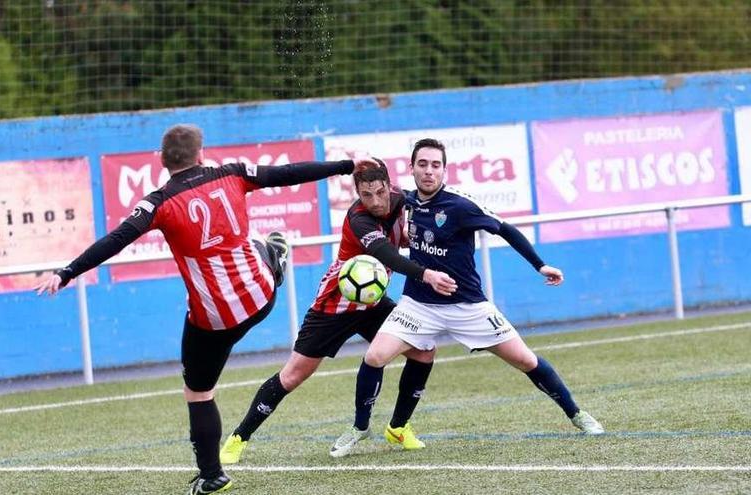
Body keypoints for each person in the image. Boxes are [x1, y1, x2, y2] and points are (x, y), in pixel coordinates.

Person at [35, 124, 380, 494]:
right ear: (202, 154)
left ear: (162, 161)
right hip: (261, 295)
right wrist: (347, 165)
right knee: (253, 250)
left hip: (214, 318)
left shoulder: (158, 202)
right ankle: (273, 257)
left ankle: (212, 475)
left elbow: (116, 240)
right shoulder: (231, 173)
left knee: (199, 393)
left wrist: (67, 272)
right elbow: (288, 173)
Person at [333, 138, 604, 457]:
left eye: (435, 165)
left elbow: (505, 230)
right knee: (375, 356)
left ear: (444, 170)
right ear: (412, 168)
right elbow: (375, 207)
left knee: (525, 360)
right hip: (418, 304)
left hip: (468, 306)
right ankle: (360, 428)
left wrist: (540, 264)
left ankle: (576, 414)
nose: (429, 171)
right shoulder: (405, 201)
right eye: (423, 164)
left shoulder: (460, 205)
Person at [218, 161, 457, 463]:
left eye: (380, 192)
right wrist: (426, 274)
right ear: (357, 193)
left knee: (424, 351)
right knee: (292, 376)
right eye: (366, 195)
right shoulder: (358, 219)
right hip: (336, 303)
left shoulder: (404, 200)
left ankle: (398, 426)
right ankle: (239, 437)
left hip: (372, 302)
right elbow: (389, 256)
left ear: (389, 186)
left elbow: (415, 232)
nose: (375, 201)